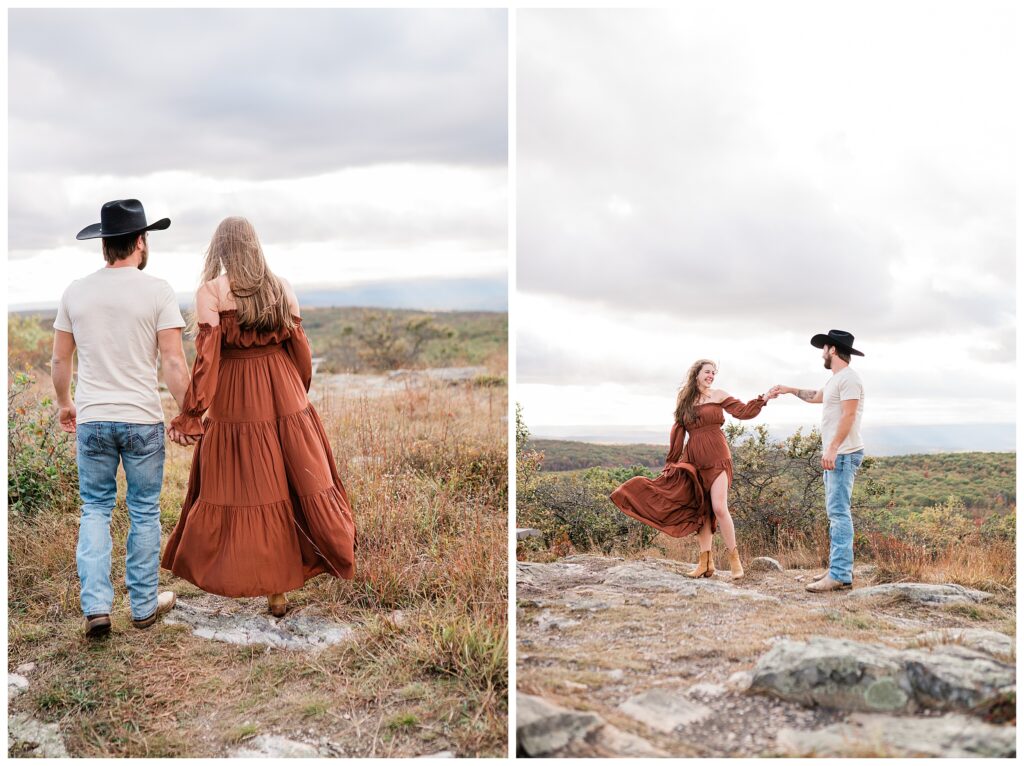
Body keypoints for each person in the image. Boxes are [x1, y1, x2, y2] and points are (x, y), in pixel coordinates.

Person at [161, 216, 356, 616]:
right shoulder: (280, 286)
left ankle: (255, 578)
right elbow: (300, 351)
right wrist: (295, 397)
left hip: (236, 395)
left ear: (220, 249)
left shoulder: (211, 292)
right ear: (254, 245)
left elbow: (208, 360)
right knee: (288, 485)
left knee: (248, 488)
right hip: (283, 390)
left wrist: (192, 412)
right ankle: (278, 594)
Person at [53, 199, 187, 638]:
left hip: (92, 417)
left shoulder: (76, 291)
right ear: (141, 243)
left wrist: (64, 404)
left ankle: (97, 608)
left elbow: (60, 361)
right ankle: (144, 606)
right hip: (141, 419)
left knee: (94, 508)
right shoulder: (158, 290)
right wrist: (189, 412)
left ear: (104, 245)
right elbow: (172, 363)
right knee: (144, 511)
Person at [611, 359, 777, 579]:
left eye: (713, 373)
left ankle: (735, 561)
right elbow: (678, 431)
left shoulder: (718, 394)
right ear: (696, 373)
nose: (711, 376)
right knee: (702, 511)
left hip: (718, 456)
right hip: (695, 460)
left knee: (719, 507)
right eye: (707, 372)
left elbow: (743, 412)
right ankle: (705, 564)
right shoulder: (685, 399)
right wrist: (672, 461)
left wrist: (763, 399)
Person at [771, 329, 866, 593]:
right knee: (835, 512)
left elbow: (849, 416)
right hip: (839, 453)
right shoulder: (837, 380)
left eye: (824, 349)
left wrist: (833, 448)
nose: (822, 354)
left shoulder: (849, 380)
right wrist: (789, 390)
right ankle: (839, 568)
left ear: (832, 350)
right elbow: (815, 396)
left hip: (844, 454)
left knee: (839, 513)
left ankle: (839, 574)